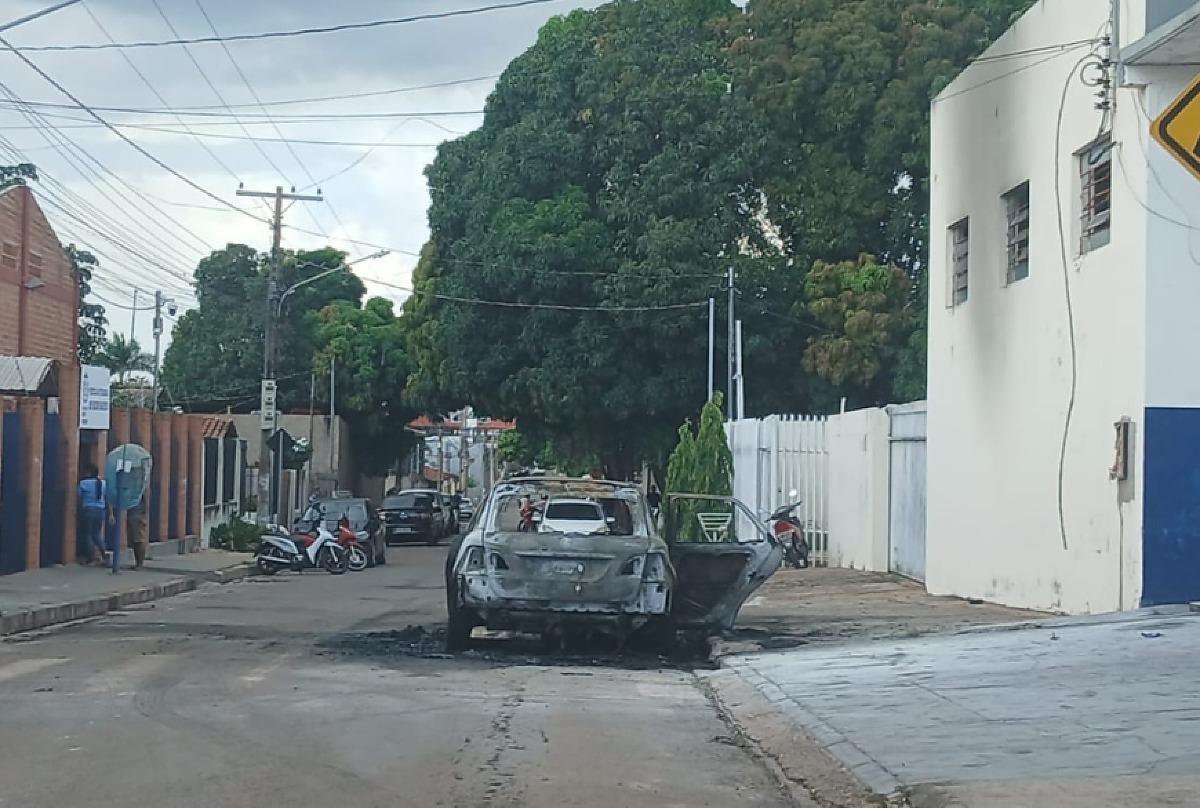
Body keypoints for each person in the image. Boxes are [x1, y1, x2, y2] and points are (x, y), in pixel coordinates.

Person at [77, 463, 113, 566]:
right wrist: (110, 514)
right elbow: (108, 499)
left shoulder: (83, 483)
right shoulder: (103, 483)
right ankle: (104, 553)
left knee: (88, 534)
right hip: (101, 510)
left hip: (88, 510)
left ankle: (91, 558)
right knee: (96, 534)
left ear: (88, 472)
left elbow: (79, 496)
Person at [127, 487, 150, 570]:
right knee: (134, 541)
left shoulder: (141, 490)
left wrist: (143, 516)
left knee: (139, 540)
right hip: (133, 515)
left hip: (137, 516)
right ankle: (137, 563)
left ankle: (140, 563)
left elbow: (146, 503)